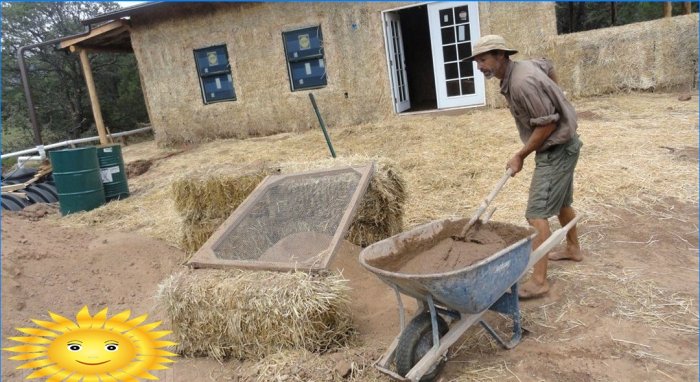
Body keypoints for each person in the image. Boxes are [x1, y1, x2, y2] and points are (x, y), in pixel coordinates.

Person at [466, 35, 583, 299]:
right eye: (477, 61)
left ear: (501, 56)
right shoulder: (525, 67)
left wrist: (520, 154)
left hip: (556, 149)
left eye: (483, 60)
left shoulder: (521, 83)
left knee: (536, 213)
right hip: (564, 145)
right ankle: (574, 248)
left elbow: (547, 125)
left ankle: (539, 280)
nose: (480, 66)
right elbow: (548, 64)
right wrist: (556, 94)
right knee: (562, 202)